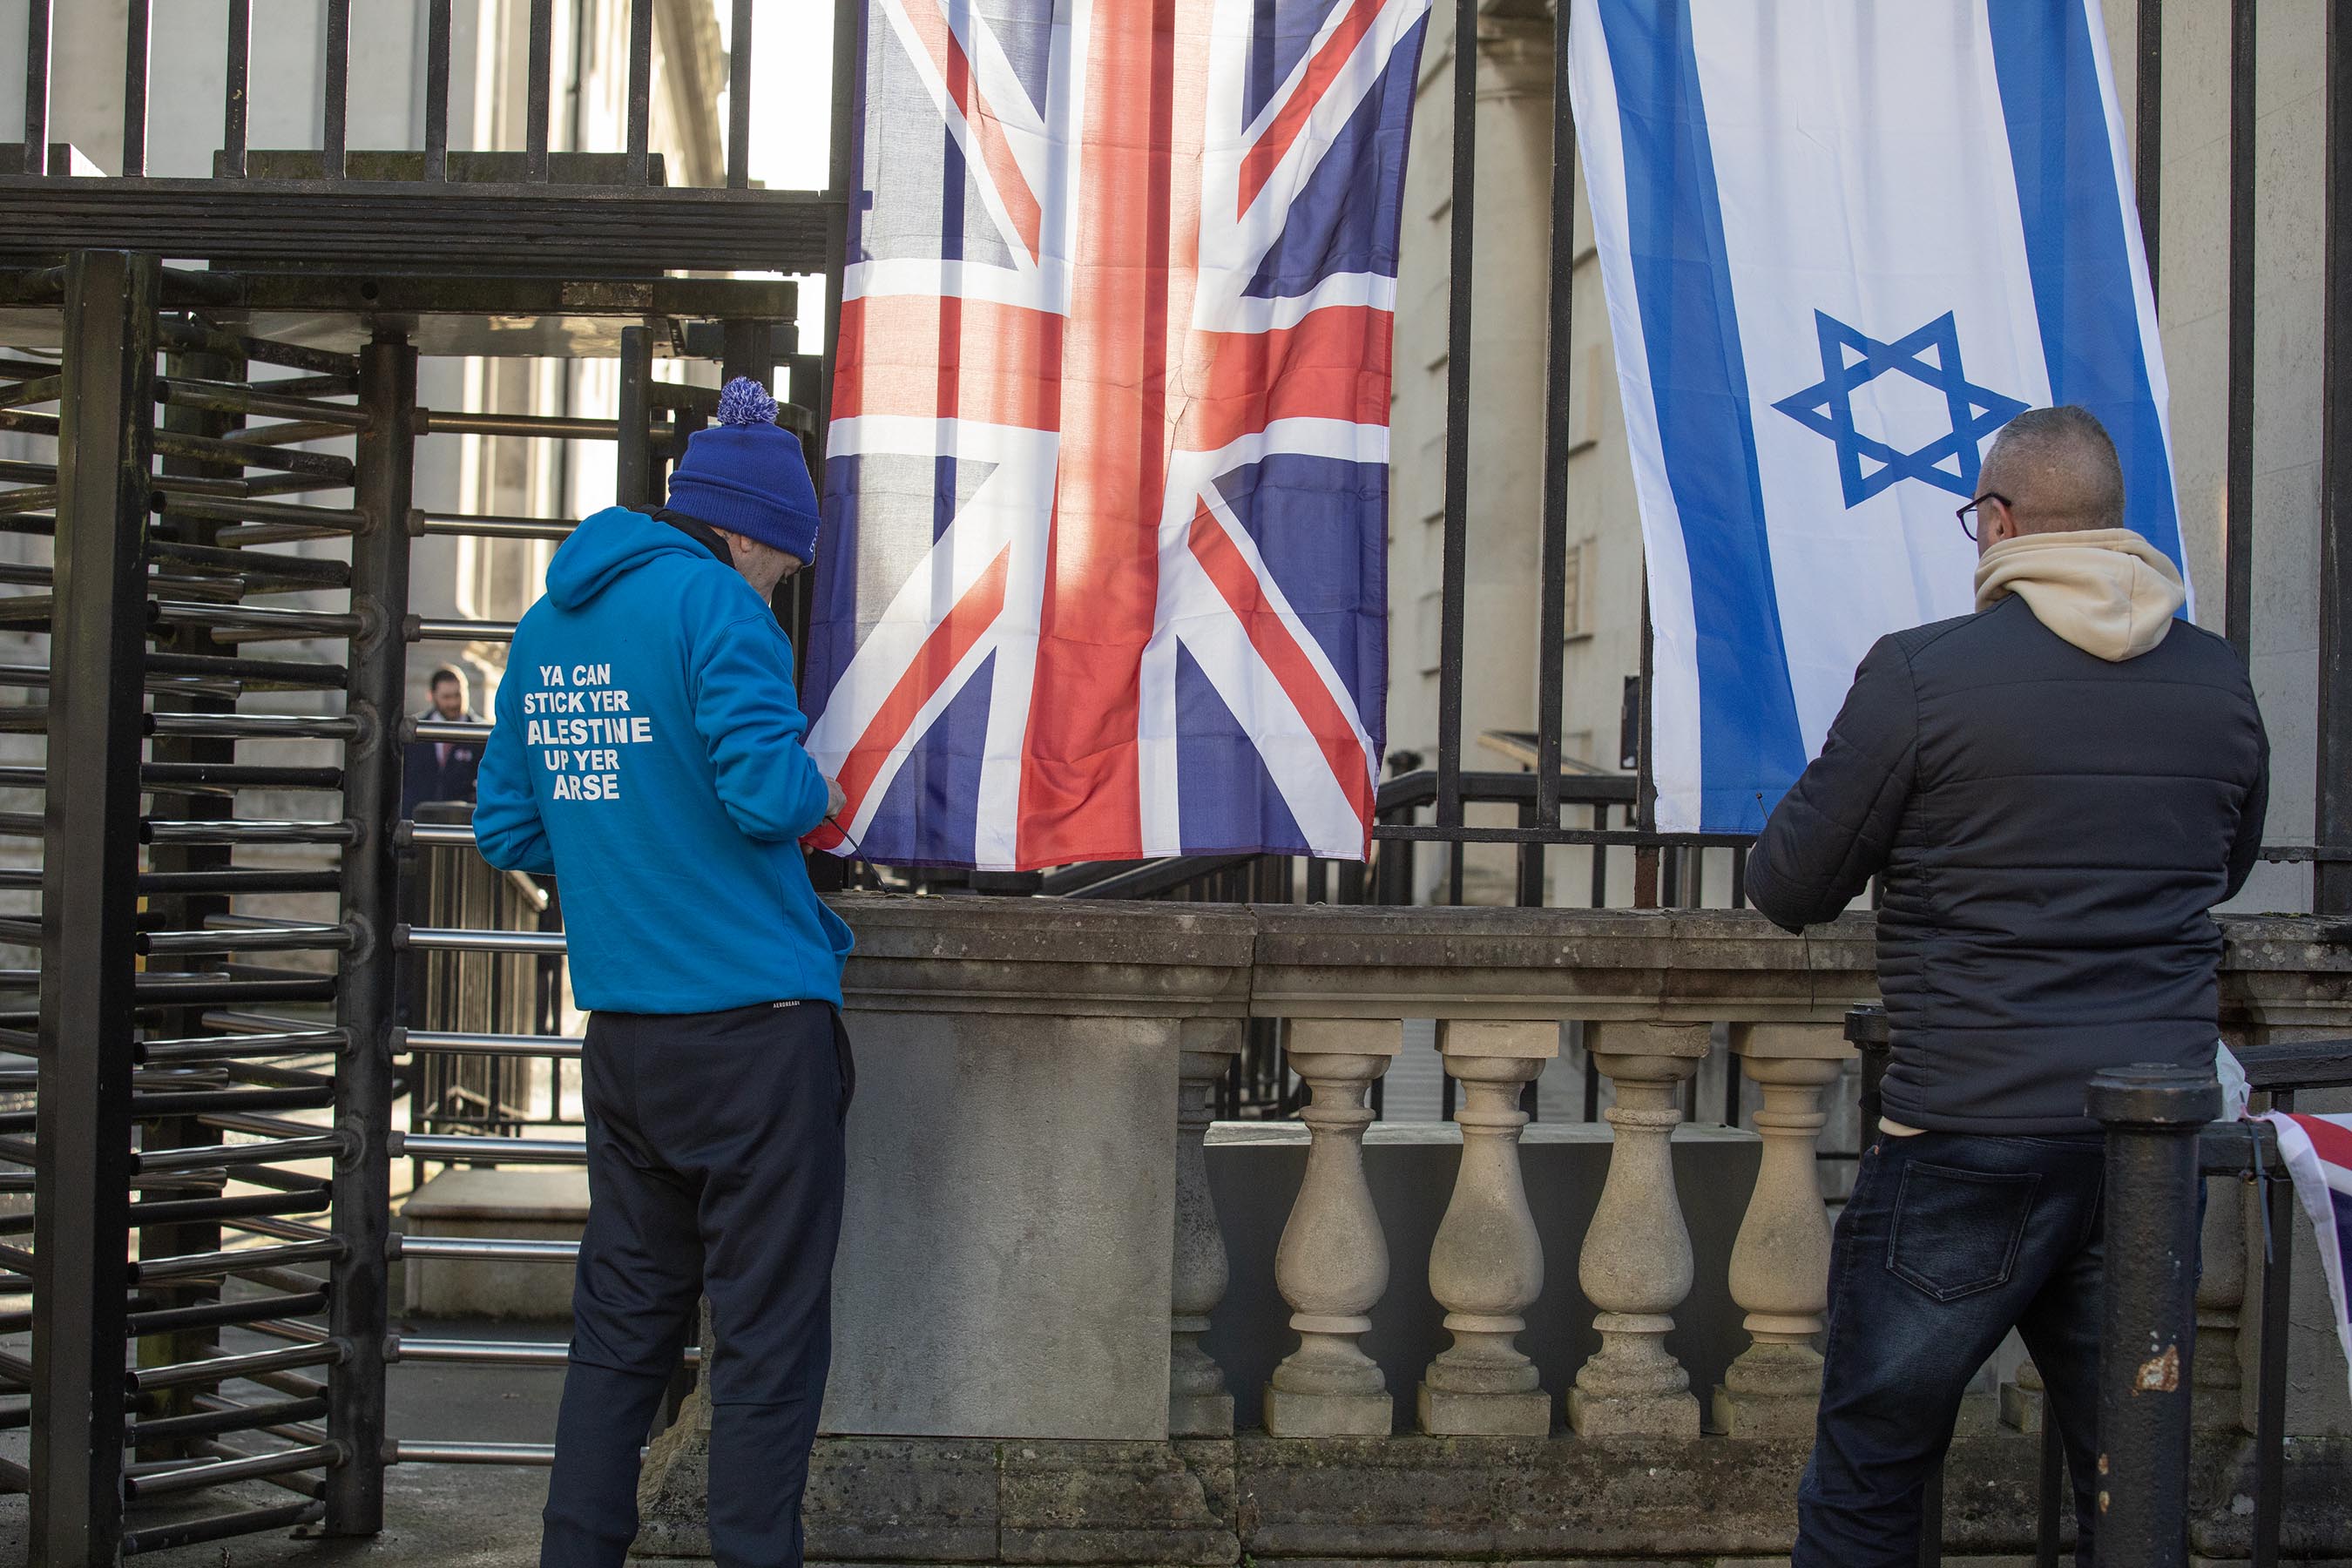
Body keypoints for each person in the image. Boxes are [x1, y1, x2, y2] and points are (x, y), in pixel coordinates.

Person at [1743, 405, 2268, 1568]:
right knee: (2132, 1487)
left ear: (2000, 521)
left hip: (1967, 1129)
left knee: (1870, 1480)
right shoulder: (2217, 679)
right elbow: (2220, 865)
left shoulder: (1922, 673)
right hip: (2149, 1143)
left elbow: (1789, 884)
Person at [473, 377, 855, 1568]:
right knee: (766, 1344)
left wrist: (629, 840)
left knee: (620, 1336)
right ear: (750, 534)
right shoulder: (718, 606)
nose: (778, 588)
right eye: (783, 566)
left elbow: (507, 827)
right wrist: (831, 782)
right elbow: (768, 796)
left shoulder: (547, 626)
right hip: (757, 1034)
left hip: (628, 1042)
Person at [399, 666, 482, 817]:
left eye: (458, 695)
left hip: (463, 821)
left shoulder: (482, 734)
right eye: (446, 697)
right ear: (431, 696)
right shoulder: (412, 731)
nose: (453, 703)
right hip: (417, 820)